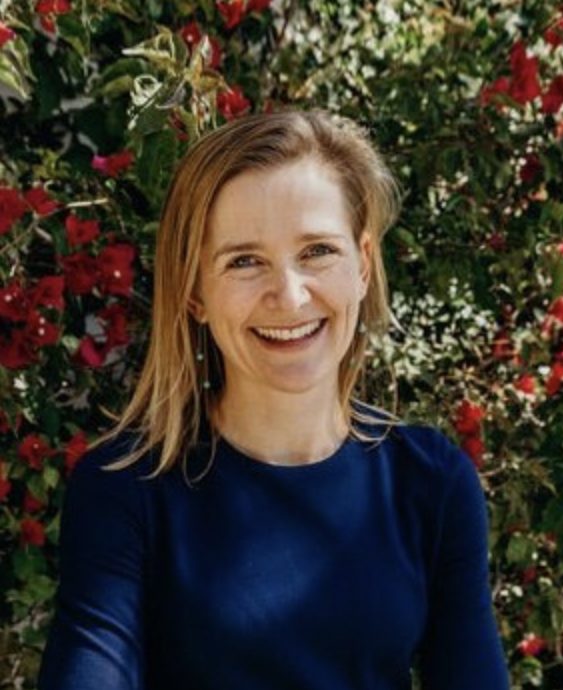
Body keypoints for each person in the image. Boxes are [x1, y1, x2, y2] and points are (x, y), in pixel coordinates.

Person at [38, 109, 511, 690]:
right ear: (194, 293)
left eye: (317, 251)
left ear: (363, 264)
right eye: (244, 261)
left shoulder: (432, 484)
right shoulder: (126, 492)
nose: (288, 297)